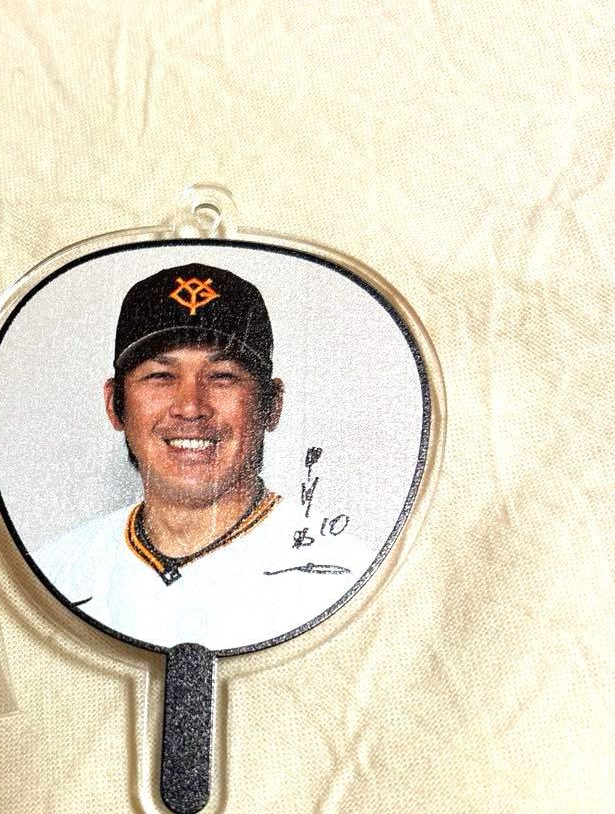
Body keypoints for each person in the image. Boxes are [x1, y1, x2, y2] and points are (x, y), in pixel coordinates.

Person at [35, 263, 369, 651]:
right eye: (160, 376)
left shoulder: (344, 578)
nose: (191, 407)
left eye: (222, 376)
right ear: (114, 404)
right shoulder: (56, 574)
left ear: (272, 404)